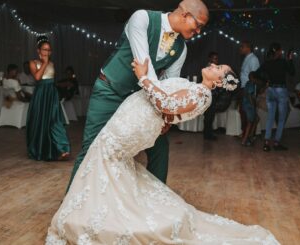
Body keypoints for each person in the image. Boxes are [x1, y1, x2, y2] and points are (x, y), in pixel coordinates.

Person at [46, 58, 279, 244]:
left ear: (219, 81)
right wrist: (166, 117)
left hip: (133, 125)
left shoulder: (202, 95)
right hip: (136, 120)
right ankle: (95, 214)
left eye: (218, 67)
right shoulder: (197, 89)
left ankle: (99, 219)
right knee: (109, 163)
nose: (212, 65)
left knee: (107, 157)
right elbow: (169, 111)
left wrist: (143, 77)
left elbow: (166, 104)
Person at [66, 0, 209, 191]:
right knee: (92, 146)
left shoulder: (181, 49)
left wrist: (167, 118)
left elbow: (170, 84)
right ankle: (71, 202)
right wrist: (162, 106)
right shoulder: (142, 18)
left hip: (141, 100)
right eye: (198, 25)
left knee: (160, 147)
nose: (198, 31)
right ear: (184, 14)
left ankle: (157, 202)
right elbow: (144, 65)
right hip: (110, 91)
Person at [26, 36, 70, 161]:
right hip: (41, 94)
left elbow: (51, 80)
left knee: (55, 121)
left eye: (49, 50)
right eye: (44, 50)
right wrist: (44, 63)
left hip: (51, 94)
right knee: (40, 122)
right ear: (38, 51)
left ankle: (62, 149)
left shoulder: (52, 64)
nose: (47, 53)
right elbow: (38, 78)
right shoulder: (33, 63)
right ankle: (40, 149)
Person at [258, 42, 295, 151]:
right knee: (281, 119)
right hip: (280, 90)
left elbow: (256, 73)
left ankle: (266, 143)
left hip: (270, 90)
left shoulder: (267, 63)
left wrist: (266, 82)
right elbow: (292, 72)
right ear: (279, 51)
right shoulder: (283, 62)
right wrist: (290, 59)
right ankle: (276, 143)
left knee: (270, 117)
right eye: (281, 51)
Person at [239, 40, 260, 146]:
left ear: (248, 48)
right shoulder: (247, 58)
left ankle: (249, 137)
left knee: (249, 115)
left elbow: (255, 77)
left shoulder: (253, 59)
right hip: (244, 88)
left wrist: (253, 93)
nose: (240, 48)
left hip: (249, 90)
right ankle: (247, 136)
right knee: (244, 113)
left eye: (242, 46)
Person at [203, 51, 219, 140]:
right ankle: (207, 135)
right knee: (209, 115)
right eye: (214, 58)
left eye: (217, 58)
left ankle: (208, 134)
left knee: (210, 115)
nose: (216, 60)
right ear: (210, 59)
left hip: (212, 94)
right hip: (209, 94)